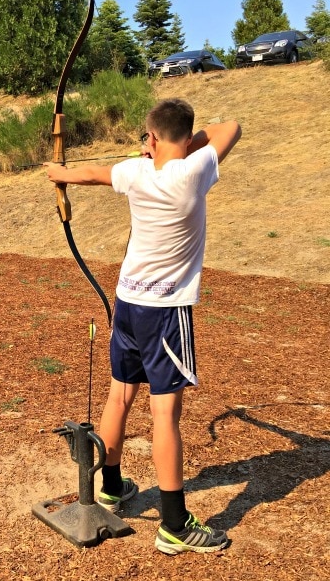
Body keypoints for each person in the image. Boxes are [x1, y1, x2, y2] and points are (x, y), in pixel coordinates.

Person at [44, 98, 242, 555]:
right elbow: (230, 126)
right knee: (164, 414)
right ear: (187, 139)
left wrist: (60, 175)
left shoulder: (136, 172)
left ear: (150, 139)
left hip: (128, 303)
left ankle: (109, 487)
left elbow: (94, 173)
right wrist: (180, 143)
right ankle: (174, 525)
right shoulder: (194, 171)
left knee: (121, 394)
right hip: (165, 313)